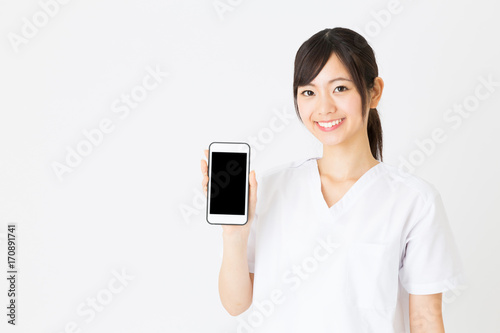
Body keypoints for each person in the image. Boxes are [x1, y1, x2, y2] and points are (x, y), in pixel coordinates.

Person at [200, 27, 467, 332]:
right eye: (309, 92)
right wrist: (234, 234)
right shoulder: (269, 191)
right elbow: (236, 304)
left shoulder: (415, 202)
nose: (324, 107)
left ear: (374, 92)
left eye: (340, 88)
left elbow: (425, 319)